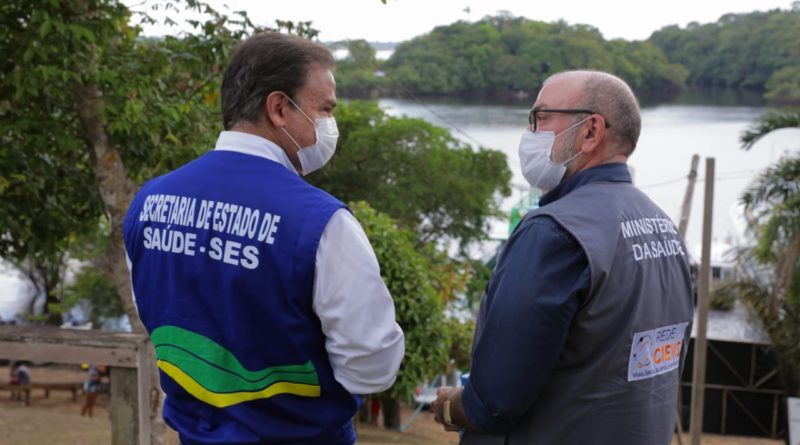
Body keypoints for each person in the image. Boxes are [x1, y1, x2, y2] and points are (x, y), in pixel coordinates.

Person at [123, 32, 404, 445]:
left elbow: (156, 312)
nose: (330, 125)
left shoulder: (147, 202)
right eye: (324, 109)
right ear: (278, 108)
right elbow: (372, 367)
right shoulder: (322, 222)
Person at [431, 70, 694, 444]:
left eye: (540, 118)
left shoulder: (554, 232)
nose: (530, 133)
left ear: (590, 131)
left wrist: (450, 406)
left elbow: (494, 402)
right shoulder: (664, 227)